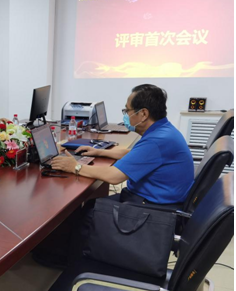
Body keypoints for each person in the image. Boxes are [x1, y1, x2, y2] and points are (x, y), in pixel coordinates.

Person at [51, 84, 194, 205]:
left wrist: (75, 167)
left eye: (127, 111)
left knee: (85, 211)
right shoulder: (163, 131)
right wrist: (99, 151)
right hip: (156, 200)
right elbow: (135, 154)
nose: (125, 115)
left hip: (153, 209)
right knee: (91, 204)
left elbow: (114, 177)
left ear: (143, 114)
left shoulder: (156, 141)